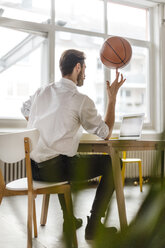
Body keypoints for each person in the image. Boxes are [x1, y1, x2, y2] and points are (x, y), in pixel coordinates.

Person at [21, 49, 126, 240]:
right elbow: (105, 133)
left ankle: (69, 220)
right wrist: (112, 99)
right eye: (84, 68)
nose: (85, 73)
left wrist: (42, 128)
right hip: (56, 169)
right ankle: (94, 225)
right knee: (113, 163)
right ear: (78, 67)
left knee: (63, 154)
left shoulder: (41, 91)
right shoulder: (80, 100)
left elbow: (24, 108)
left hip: (32, 169)